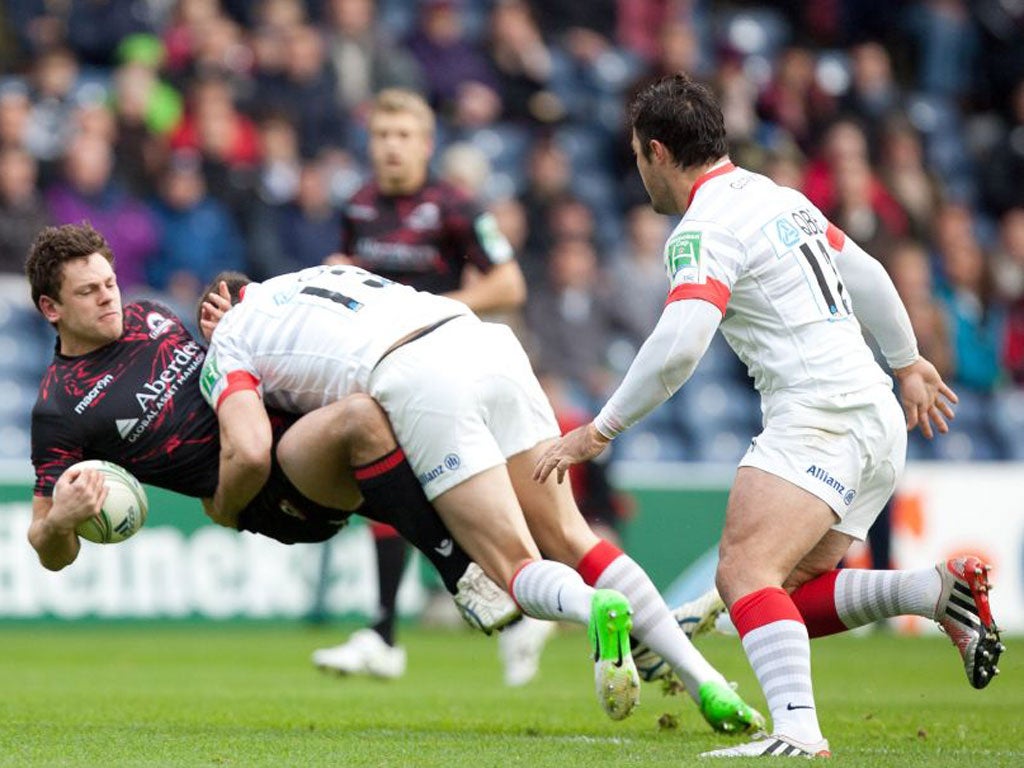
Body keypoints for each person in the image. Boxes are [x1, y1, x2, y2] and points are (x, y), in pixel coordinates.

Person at [535, 75, 1004, 758]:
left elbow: (679, 345)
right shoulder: (775, 196)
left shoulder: (700, 229)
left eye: (639, 157)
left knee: (744, 577)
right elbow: (868, 271)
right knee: (780, 595)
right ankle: (936, 591)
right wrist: (905, 363)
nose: (639, 173)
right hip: (873, 412)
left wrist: (598, 429)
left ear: (659, 152)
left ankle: (797, 733)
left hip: (820, 415)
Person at [198, 264, 763, 731]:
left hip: (418, 374)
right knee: (574, 536)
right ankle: (706, 682)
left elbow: (249, 446)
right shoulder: (319, 274)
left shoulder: (229, 336)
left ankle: (594, 609)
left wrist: (225, 506)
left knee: (510, 567)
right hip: (483, 339)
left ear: (219, 306)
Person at [23, 222, 516, 637]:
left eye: (110, 283)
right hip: (267, 493)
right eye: (88, 292)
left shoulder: (149, 316)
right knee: (361, 419)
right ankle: (459, 575)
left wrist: (226, 337)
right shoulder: (59, 408)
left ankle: (536, 573)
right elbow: (49, 551)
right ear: (52, 308)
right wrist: (62, 521)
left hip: (293, 432)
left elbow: (224, 376)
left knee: (397, 405)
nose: (108, 298)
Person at [321, 87, 526, 678]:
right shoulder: (357, 206)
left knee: (464, 496)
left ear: (426, 143)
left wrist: (432, 307)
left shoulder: (457, 207)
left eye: (404, 135)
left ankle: (526, 603)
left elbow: (509, 285)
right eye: (382, 135)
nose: (391, 146)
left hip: (444, 366)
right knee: (382, 488)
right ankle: (385, 632)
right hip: (380, 369)